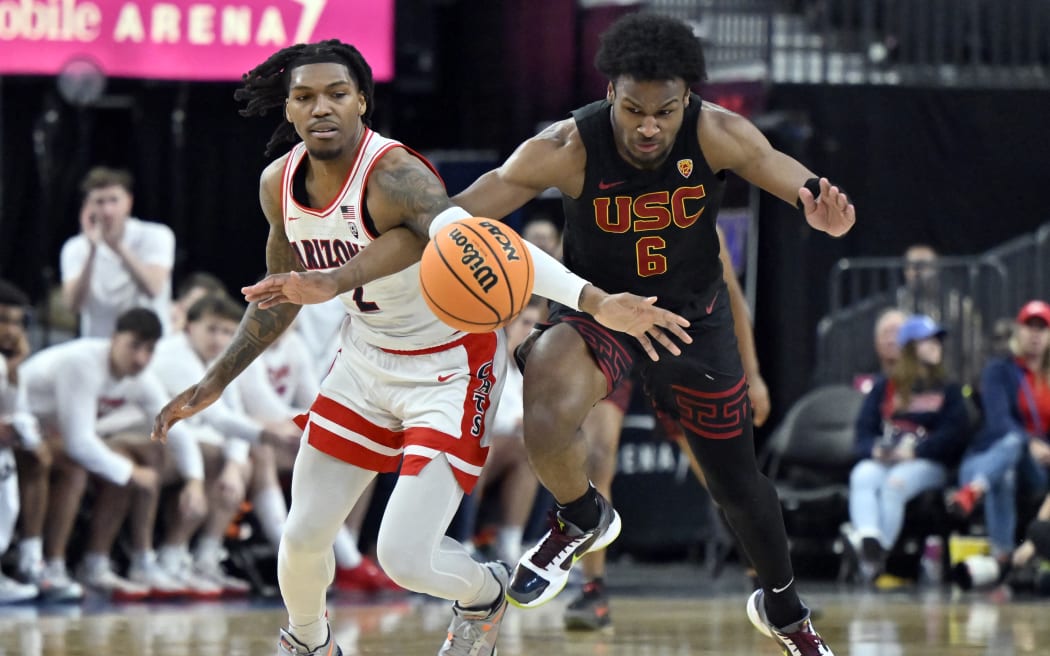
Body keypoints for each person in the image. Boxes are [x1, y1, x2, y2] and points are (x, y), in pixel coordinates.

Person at [242, 16, 854, 655]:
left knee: (738, 486)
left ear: (687, 102)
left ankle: (785, 611)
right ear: (609, 92)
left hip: (690, 321)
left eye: (665, 112)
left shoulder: (717, 132)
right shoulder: (567, 145)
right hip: (600, 310)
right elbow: (451, 217)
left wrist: (815, 202)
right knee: (545, 390)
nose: (649, 126)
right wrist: (359, 262)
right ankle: (582, 515)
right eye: (633, 109)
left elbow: (782, 170)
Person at [154, 40, 687, 656]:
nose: (320, 107)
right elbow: (281, 297)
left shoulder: (396, 176)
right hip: (364, 362)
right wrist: (214, 381)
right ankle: (309, 643)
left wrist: (594, 300)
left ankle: (484, 591)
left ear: (362, 101)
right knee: (300, 539)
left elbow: (489, 246)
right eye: (304, 97)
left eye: (335, 93)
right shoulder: (279, 183)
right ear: (290, 110)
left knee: (403, 557)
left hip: (449, 368)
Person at [565, 226, 771, 630]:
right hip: (615, 338)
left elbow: (731, 296)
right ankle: (593, 590)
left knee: (720, 473)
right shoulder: (595, 205)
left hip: (676, 338)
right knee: (596, 458)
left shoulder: (696, 216)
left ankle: (768, 585)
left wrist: (754, 374)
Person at [18, 308, 206, 599]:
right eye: (135, 345)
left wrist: (195, 481)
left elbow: (175, 426)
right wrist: (132, 473)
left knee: (142, 457)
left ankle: (110, 562)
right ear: (114, 338)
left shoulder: (141, 378)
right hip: (19, 434)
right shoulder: (80, 362)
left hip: (51, 438)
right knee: (79, 469)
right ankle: (51, 564)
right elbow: (77, 443)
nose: (141, 358)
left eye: (149, 349)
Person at [842, 314, 969, 583]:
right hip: (889, 457)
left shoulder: (948, 388)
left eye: (937, 340)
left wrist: (916, 452)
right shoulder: (885, 386)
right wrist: (875, 450)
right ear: (909, 347)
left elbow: (956, 434)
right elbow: (863, 433)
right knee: (862, 474)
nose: (936, 345)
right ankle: (868, 538)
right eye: (928, 340)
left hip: (927, 462)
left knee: (894, 484)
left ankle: (873, 559)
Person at [951, 300, 1050, 567]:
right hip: (988, 457)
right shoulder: (999, 370)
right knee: (1007, 462)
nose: (1036, 333)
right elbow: (999, 421)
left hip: (1037, 470)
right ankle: (1002, 559)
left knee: (1016, 447)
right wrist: (1030, 442)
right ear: (1018, 331)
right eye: (1030, 326)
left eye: (1043, 327)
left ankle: (974, 492)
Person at [60, 167, 176, 337]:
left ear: (128, 202)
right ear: (88, 206)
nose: (107, 210)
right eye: (99, 202)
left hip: (152, 345)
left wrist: (117, 247)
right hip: (100, 344)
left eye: (114, 200)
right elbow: (72, 305)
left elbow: (153, 288)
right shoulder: (74, 247)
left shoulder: (157, 235)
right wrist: (92, 251)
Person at [0, 280, 43, 603]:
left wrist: (14, 369)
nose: (12, 330)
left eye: (17, 322)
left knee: (33, 460)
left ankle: (29, 560)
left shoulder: (9, 364)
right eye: (4, 320)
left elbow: (18, 413)